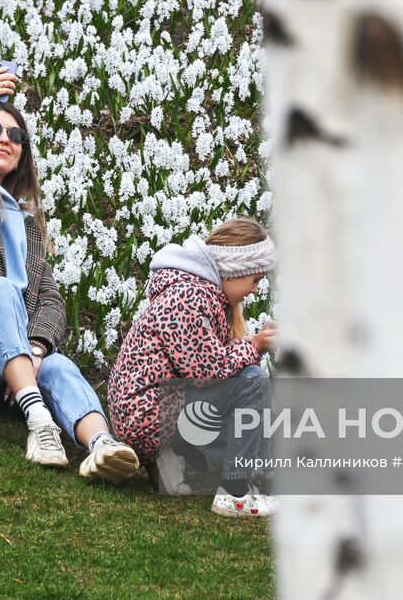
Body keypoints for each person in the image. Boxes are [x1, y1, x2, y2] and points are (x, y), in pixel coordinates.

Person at [0, 66, 140, 481]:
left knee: (58, 366)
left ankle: (101, 446)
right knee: (0, 290)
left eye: (15, 136)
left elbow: (50, 299)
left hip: (11, 370)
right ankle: (39, 422)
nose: (4, 139)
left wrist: (36, 347)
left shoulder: (28, 226)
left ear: (22, 153)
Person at [107, 218, 280, 517]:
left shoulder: (195, 291)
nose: (254, 290)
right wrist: (254, 346)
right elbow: (207, 373)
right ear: (235, 270)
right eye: (254, 279)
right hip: (149, 417)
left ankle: (172, 459)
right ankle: (234, 495)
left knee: (253, 396)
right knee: (252, 381)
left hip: (150, 412)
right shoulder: (189, 297)